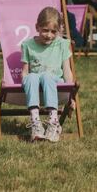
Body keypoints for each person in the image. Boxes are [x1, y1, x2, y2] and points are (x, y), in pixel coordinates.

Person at [21, 7, 73, 142]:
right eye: (45, 30)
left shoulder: (62, 44)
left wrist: (72, 96)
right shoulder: (27, 45)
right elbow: (25, 71)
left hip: (57, 85)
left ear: (58, 31)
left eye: (53, 31)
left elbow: (67, 70)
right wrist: (24, 82)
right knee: (31, 76)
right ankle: (35, 123)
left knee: (46, 75)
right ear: (37, 27)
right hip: (36, 87)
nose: (49, 35)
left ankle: (53, 122)